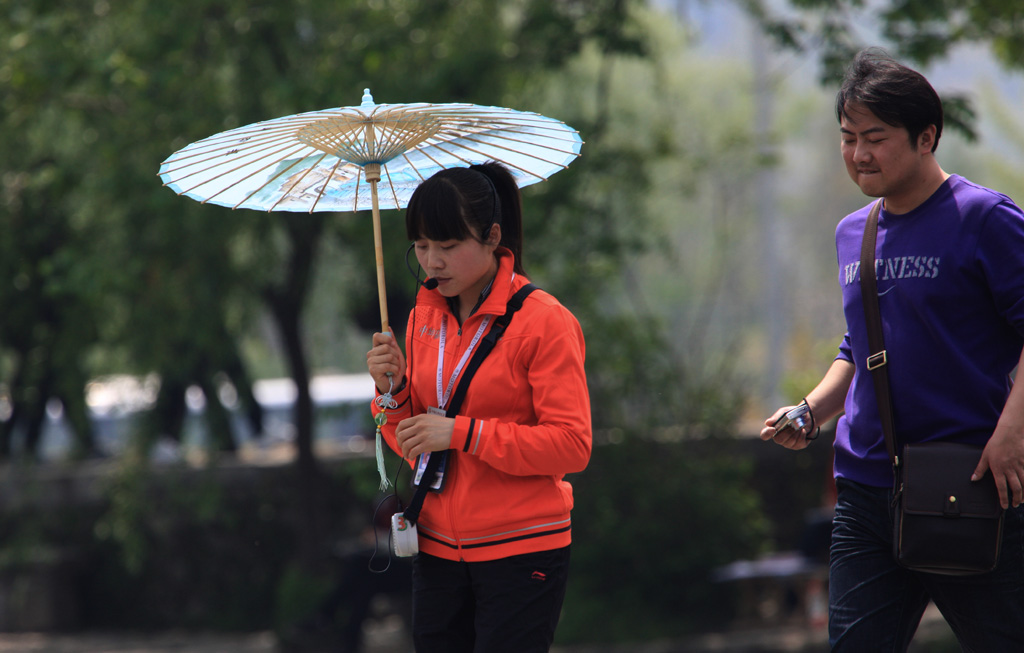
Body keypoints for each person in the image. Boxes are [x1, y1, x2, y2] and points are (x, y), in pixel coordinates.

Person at [760, 49, 1024, 651]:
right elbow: (861, 345)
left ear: (926, 136)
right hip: (866, 488)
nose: (858, 155)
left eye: (875, 138)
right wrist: (811, 410)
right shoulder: (854, 232)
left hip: (971, 483)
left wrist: (1012, 434)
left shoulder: (984, 218)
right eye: (848, 138)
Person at [365, 161, 592, 653]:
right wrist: (392, 393)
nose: (432, 262)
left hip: (523, 548)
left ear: (493, 237)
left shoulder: (544, 322)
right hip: (438, 547)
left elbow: (572, 447)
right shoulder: (421, 318)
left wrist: (463, 434)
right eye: (422, 246)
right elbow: (412, 446)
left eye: (448, 246)